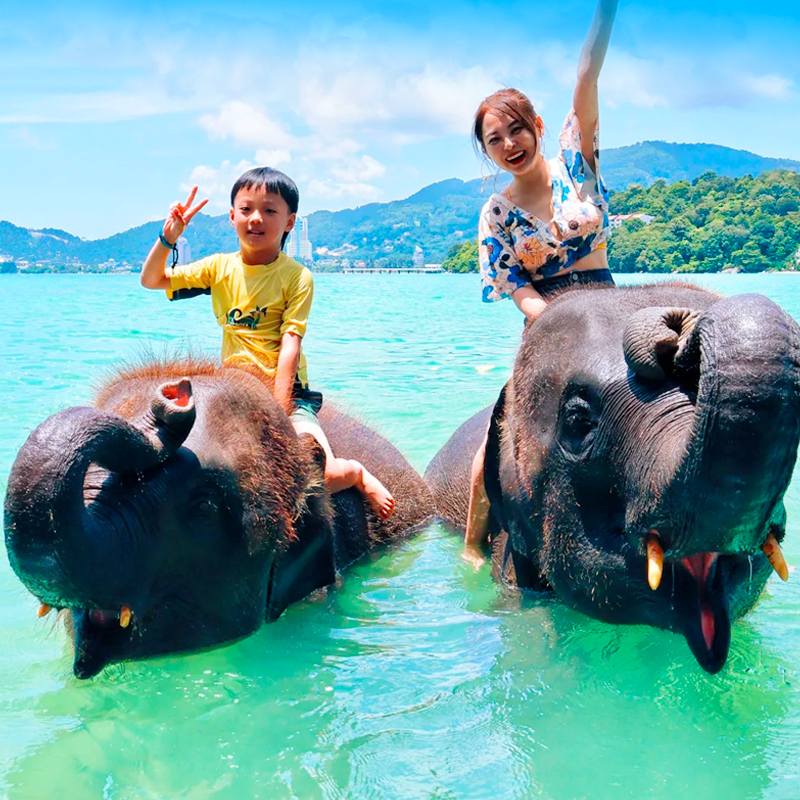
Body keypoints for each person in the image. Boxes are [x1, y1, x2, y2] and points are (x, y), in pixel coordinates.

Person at [140, 167, 395, 520]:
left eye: (269, 210)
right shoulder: (218, 268)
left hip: (286, 393)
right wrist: (168, 238)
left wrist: (278, 410)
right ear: (232, 216)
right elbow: (151, 279)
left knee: (312, 477)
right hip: (234, 388)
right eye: (246, 209)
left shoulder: (296, 277)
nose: (256, 218)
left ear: (289, 222)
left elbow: (290, 345)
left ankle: (355, 473)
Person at [465, 0, 618, 557]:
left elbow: (586, 78)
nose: (510, 144)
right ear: (487, 152)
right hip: (549, 323)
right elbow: (518, 288)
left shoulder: (576, 163)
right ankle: (473, 545)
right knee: (500, 435)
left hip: (613, 311)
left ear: (538, 127)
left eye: (516, 129)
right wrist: (558, 319)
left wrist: (606, 11)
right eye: (495, 139)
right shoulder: (496, 214)